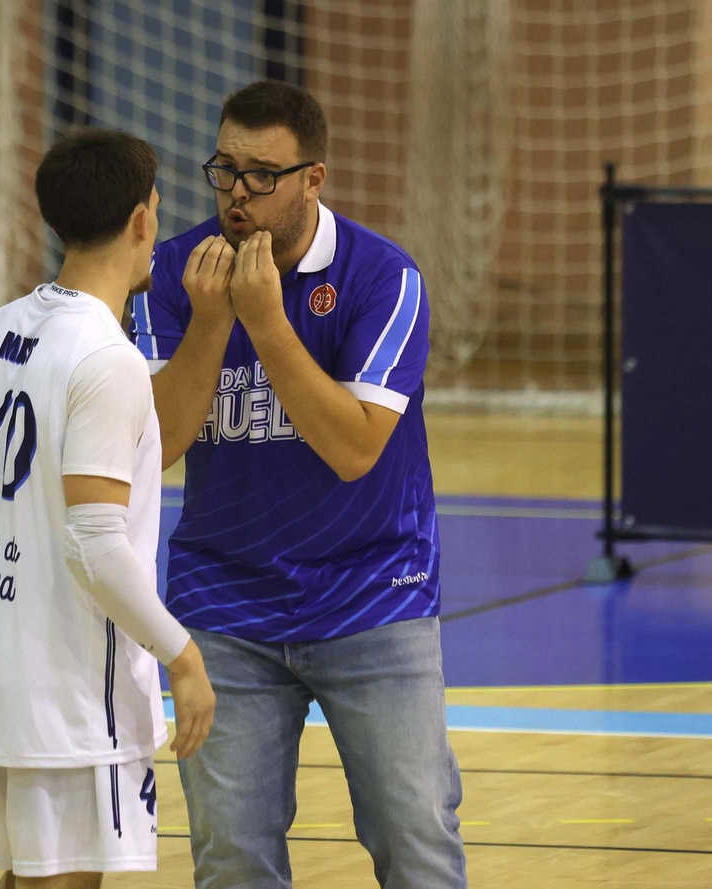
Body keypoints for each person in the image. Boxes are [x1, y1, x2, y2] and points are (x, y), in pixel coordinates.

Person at [133, 80, 465, 888]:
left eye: (261, 174)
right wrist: (213, 322)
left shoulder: (383, 277)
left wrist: (267, 321)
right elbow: (160, 445)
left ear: (313, 179)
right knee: (231, 855)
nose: (237, 192)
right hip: (225, 600)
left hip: (373, 591)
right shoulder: (174, 272)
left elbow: (354, 448)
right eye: (225, 168)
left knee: (415, 838)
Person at [0, 127, 217, 889]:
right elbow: (95, 540)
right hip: (71, 687)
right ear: (142, 220)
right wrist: (181, 656)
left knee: (30, 876)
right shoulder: (108, 358)